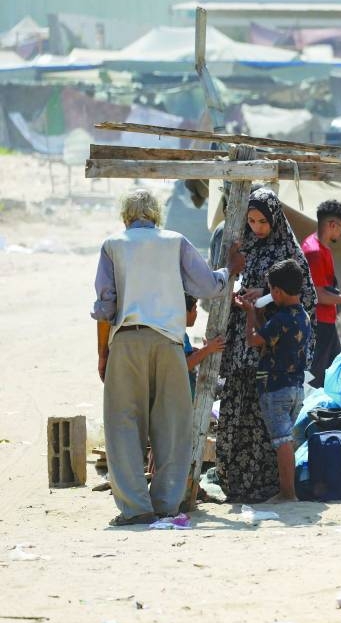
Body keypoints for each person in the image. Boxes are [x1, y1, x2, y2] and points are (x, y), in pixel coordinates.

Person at [91, 189, 244, 526]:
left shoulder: (113, 245)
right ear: (156, 215)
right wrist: (228, 270)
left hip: (127, 342)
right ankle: (166, 503)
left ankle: (135, 507)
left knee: (124, 424)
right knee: (173, 426)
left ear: (126, 216)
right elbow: (207, 287)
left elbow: (105, 307)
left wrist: (103, 355)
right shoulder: (175, 241)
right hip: (170, 342)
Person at [217, 187, 317, 502]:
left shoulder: (289, 254)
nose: (258, 227)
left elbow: (307, 298)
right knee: (240, 409)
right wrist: (240, 297)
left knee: (270, 425)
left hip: (271, 351)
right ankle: (236, 483)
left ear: (275, 219)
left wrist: (263, 295)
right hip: (242, 347)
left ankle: (274, 486)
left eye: (263, 221)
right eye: (252, 221)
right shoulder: (243, 248)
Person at [233, 259, 312, 503]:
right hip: (296, 387)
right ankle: (290, 489)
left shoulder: (280, 319)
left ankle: (288, 493)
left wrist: (248, 313)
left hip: (275, 388)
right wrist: (257, 313)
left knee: (281, 441)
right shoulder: (302, 316)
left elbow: (254, 340)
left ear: (276, 291)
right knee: (288, 439)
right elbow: (268, 338)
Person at [301, 199, 341, 388]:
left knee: (334, 371)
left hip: (327, 322)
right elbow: (320, 295)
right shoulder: (314, 252)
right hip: (319, 322)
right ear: (332, 225)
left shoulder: (321, 248)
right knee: (315, 378)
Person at [182, 294, 225, 397]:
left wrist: (193, 352)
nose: (196, 313)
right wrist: (208, 349)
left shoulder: (180, 334)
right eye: (194, 309)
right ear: (185, 312)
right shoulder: (180, 336)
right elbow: (185, 365)